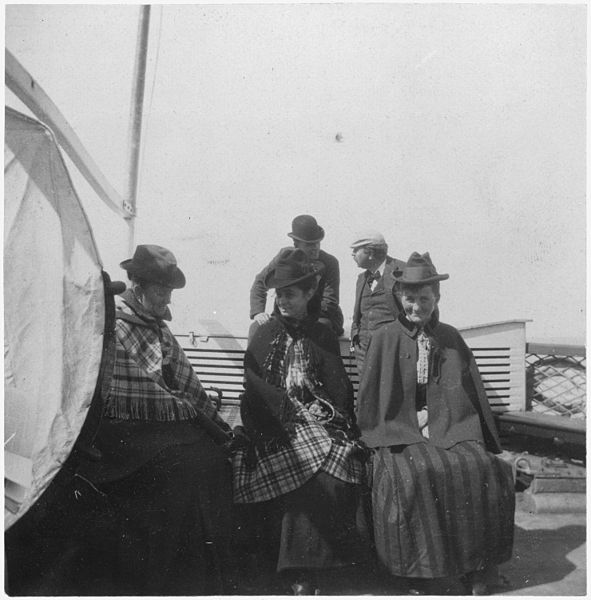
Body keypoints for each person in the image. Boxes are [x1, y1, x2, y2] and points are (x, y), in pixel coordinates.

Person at [77, 244, 236, 595]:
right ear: (137, 288)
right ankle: (164, 576)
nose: (167, 298)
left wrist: (215, 422)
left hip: (158, 426)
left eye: (168, 290)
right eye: (161, 290)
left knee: (213, 458)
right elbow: (127, 385)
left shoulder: (156, 326)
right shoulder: (114, 323)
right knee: (185, 465)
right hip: (118, 432)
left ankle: (202, 572)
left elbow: (186, 380)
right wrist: (180, 405)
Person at [356, 252, 515, 595]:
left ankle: (477, 568)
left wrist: (485, 441)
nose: (417, 307)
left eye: (424, 299)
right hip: (398, 428)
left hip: (450, 425)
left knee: (480, 468)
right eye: (410, 299)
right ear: (399, 298)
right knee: (411, 475)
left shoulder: (450, 337)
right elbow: (371, 399)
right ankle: (414, 571)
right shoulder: (384, 337)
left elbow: (469, 390)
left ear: (437, 299)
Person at [234, 248, 370, 595]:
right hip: (274, 425)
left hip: (319, 421)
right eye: (278, 294)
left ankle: (318, 564)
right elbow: (254, 387)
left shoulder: (321, 333)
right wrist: (286, 414)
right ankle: (297, 570)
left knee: (337, 467)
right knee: (301, 473)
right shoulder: (263, 332)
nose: (281, 301)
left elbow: (338, 384)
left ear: (310, 294)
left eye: (289, 294)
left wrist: (336, 420)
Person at [249, 214, 344, 337]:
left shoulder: (330, 262)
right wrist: (258, 312)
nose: (315, 248)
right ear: (296, 244)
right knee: (256, 327)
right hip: (288, 313)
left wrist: (300, 315)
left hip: (319, 315)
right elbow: (260, 283)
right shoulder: (284, 256)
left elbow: (330, 301)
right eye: (309, 244)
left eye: (317, 243)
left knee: (322, 327)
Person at [350, 231, 406, 376]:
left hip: (391, 351)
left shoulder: (402, 271)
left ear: (370, 253)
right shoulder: (361, 278)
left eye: (356, 250)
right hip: (363, 353)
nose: (353, 254)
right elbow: (358, 315)